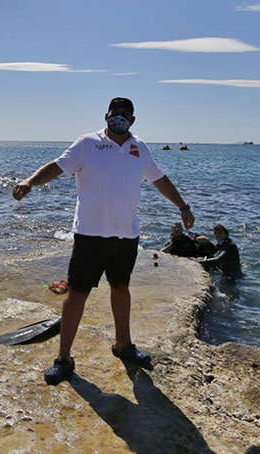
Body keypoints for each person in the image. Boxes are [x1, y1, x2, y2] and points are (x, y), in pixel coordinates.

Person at [12, 97, 195, 385]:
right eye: (114, 113)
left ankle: (123, 345)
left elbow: (159, 179)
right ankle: (63, 359)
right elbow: (57, 166)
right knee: (77, 295)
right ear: (106, 116)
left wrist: (182, 207)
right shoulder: (87, 143)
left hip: (126, 237)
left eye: (125, 114)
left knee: (121, 288)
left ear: (132, 120)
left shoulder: (140, 148)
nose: (118, 118)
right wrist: (29, 182)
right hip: (90, 236)